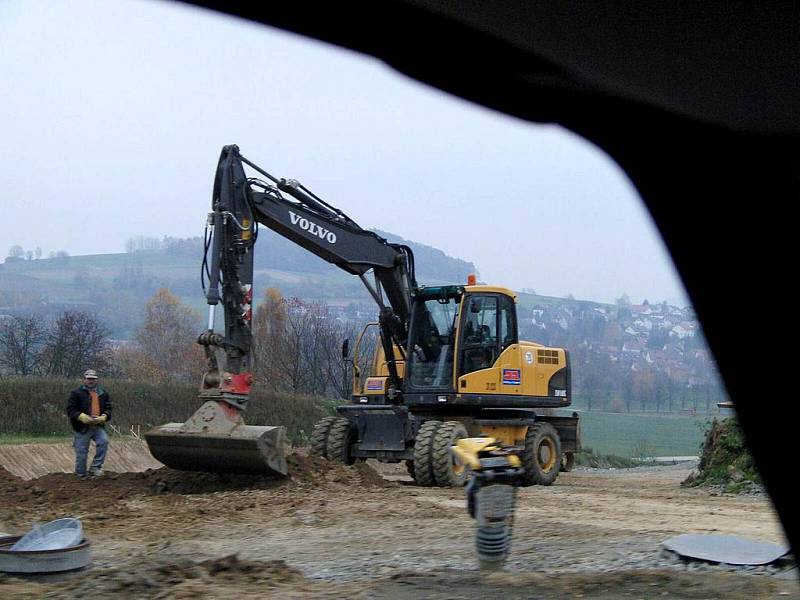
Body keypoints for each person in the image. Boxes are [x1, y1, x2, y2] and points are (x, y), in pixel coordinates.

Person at [66, 369, 112, 479]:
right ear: (85, 379)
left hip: (97, 425)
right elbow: (70, 409)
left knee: (104, 441)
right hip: (82, 426)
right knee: (82, 451)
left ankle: (95, 467)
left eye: (93, 379)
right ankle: (81, 475)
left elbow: (109, 408)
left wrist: (104, 416)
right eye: (89, 379)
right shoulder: (76, 393)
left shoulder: (103, 393)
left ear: (96, 380)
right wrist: (81, 416)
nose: (91, 381)